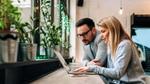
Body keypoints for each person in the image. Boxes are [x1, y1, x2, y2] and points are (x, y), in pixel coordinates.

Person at [75, 16, 145, 84]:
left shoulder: (125, 44)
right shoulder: (111, 46)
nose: (101, 35)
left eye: (103, 31)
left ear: (113, 31)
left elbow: (117, 73)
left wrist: (92, 68)